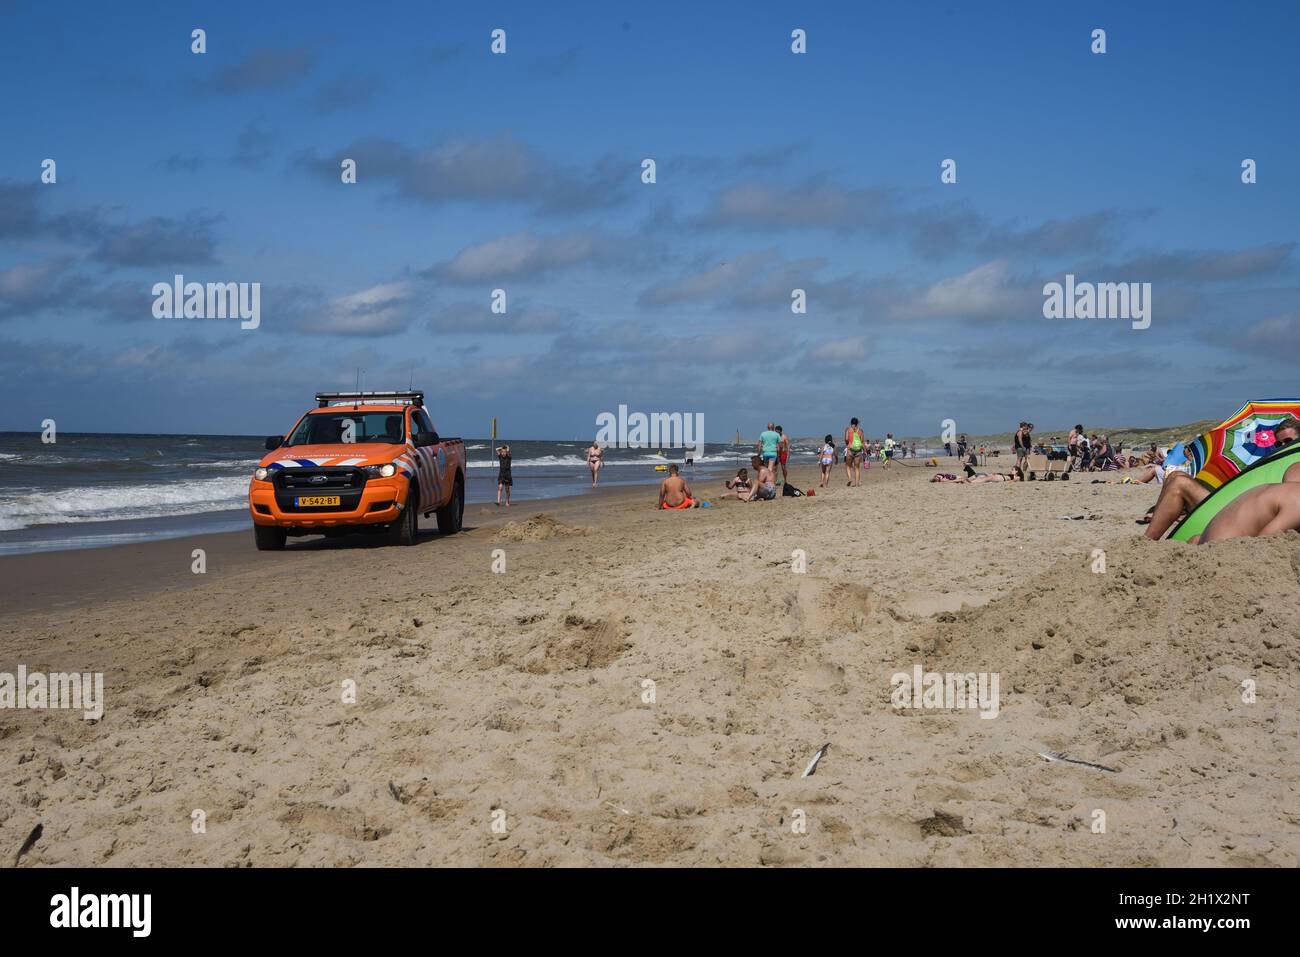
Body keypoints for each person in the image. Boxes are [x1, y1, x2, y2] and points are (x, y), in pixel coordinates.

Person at [1145, 417, 1300, 538]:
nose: (1283, 446)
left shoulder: (1294, 462)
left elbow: (1293, 501)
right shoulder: (1271, 461)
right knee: (1175, 475)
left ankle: (1146, 542)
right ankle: (1151, 531)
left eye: (1288, 441)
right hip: (1234, 506)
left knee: (1179, 482)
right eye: (1278, 444)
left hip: (1241, 518)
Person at [1197, 464, 1300, 542]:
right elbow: (1264, 544)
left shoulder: (1283, 490)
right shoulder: (1297, 502)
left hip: (1208, 541)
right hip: (1222, 553)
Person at [844, 417, 865, 486]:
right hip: (858, 451)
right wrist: (865, 451)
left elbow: (846, 439)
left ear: (851, 423)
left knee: (848, 466)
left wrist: (848, 443)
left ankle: (850, 479)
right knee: (857, 468)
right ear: (857, 423)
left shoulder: (848, 430)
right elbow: (862, 442)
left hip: (850, 450)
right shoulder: (861, 431)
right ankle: (856, 484)